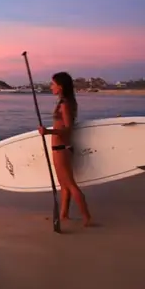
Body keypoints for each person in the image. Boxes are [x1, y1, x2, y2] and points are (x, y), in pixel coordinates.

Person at [37, 72, 94, 227]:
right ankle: (64, 215)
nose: (51, 87)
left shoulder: (65, 104)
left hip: (62, 148)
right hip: (59, 148)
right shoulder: (63, 101)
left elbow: (68, 129)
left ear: (60, 87)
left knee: (70, 185)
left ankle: (87, 217)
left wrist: (48, 132)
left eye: (53, 84)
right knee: (64, 186)